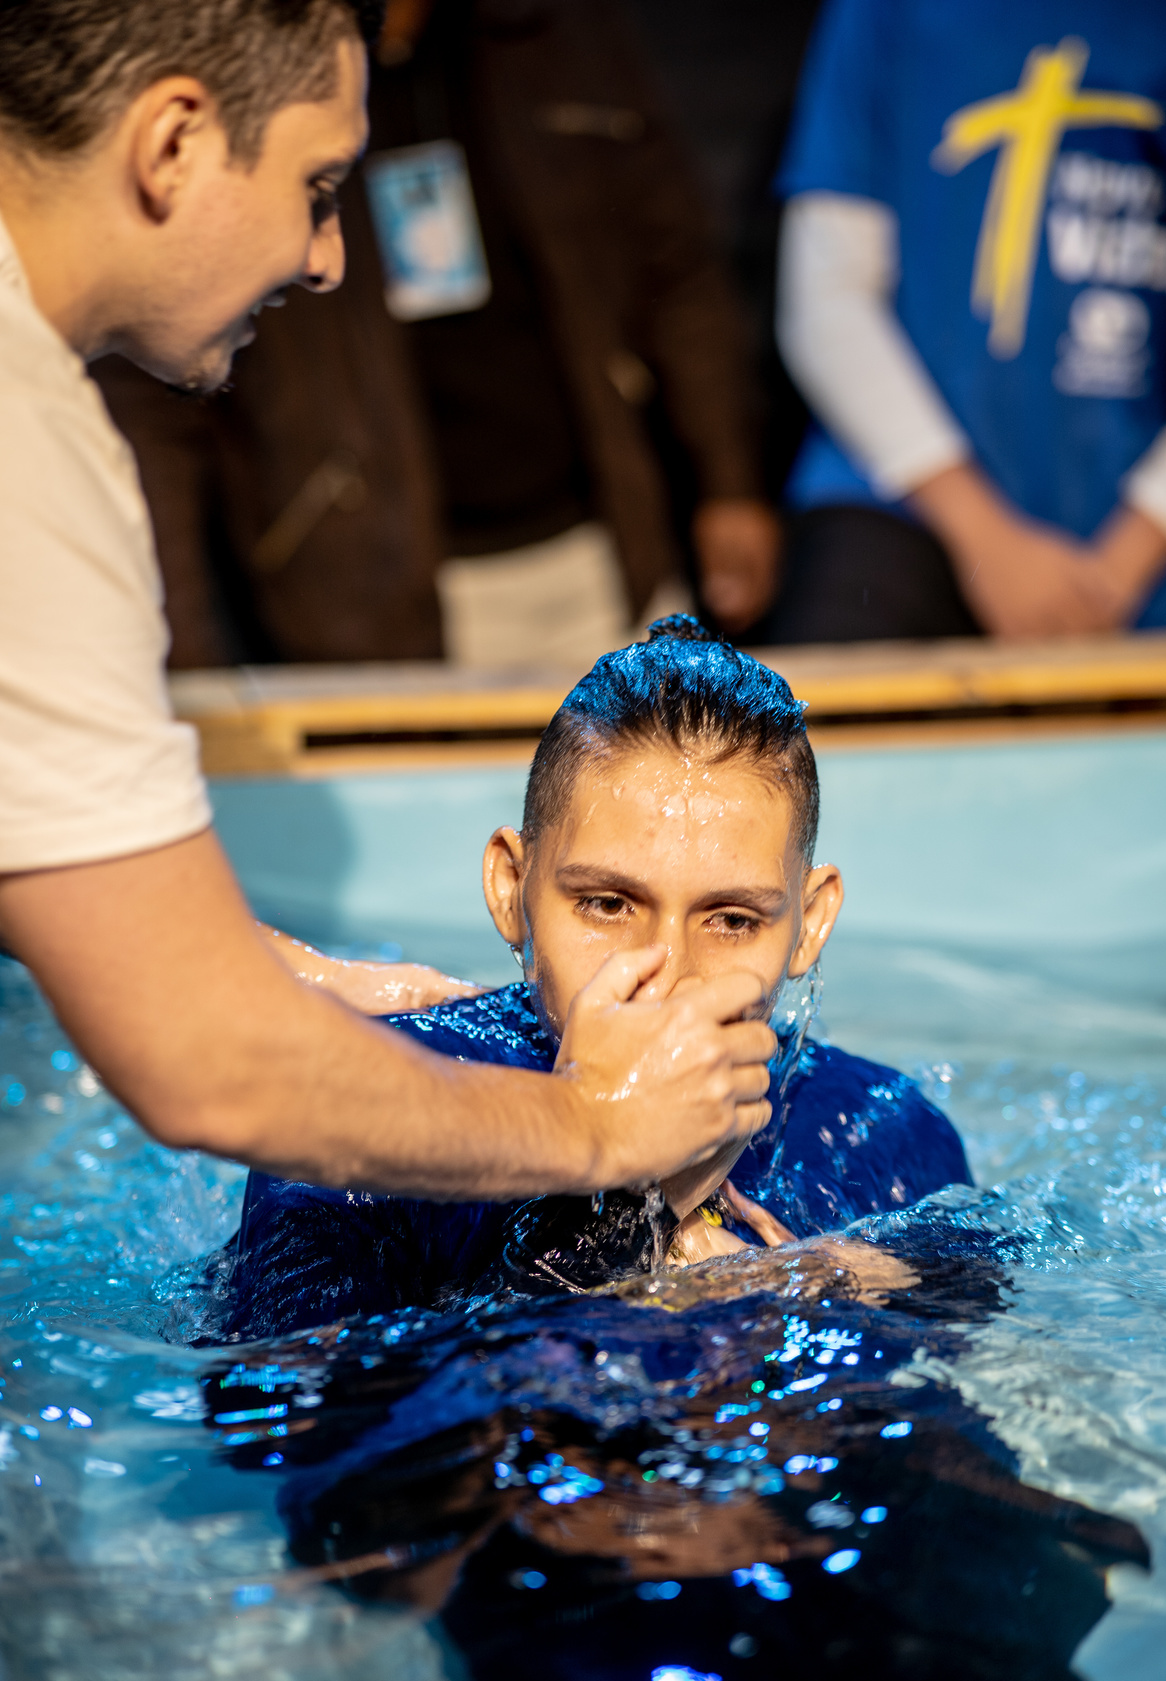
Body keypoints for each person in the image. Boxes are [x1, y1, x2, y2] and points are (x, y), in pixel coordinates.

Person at [0, 1, 778, 1215]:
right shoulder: (28, 449)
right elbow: (215, 1070)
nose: (328, 257)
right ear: (172, 147)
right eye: (317, 186)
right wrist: (593, 1123)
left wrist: (295, 977)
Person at [212, 619, 969, 1341]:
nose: (665, 978)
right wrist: (619, 1235)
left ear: (810, 920)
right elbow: (295, 1437)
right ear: (512, 889)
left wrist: (814, 1294)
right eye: (607, 905)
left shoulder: (882, 1130)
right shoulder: (356, 1131)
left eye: (732, 920)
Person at [95, 0, 779, 671]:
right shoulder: (239, 61)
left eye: (329, 187)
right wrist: (172, 640)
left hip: (601, 545)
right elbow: (150, 376)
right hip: (362, 591)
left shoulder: (555, 32)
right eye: (313, 189)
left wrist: (729, 480)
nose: (321, 259)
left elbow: (679, 269)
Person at [758, 0, 1166, 644]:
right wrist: (988, 542)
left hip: (1159, 543)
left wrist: (1131, 554)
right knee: (810, 718)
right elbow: (825, 304)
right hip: (906, 503)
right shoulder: (887, 16)